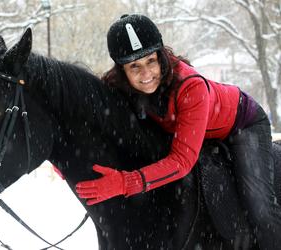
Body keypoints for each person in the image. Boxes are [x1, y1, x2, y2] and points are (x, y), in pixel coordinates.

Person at [76, 14, 281, 248]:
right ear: (121, 71)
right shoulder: (115, 85)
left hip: (241, 125)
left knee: (260, 208)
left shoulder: (190, 87)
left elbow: (182, 161)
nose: (146, 74)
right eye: (134, 66)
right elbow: (89, 122)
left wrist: (126, 182)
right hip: (189, 131)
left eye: (150, 61)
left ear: (161, 57)